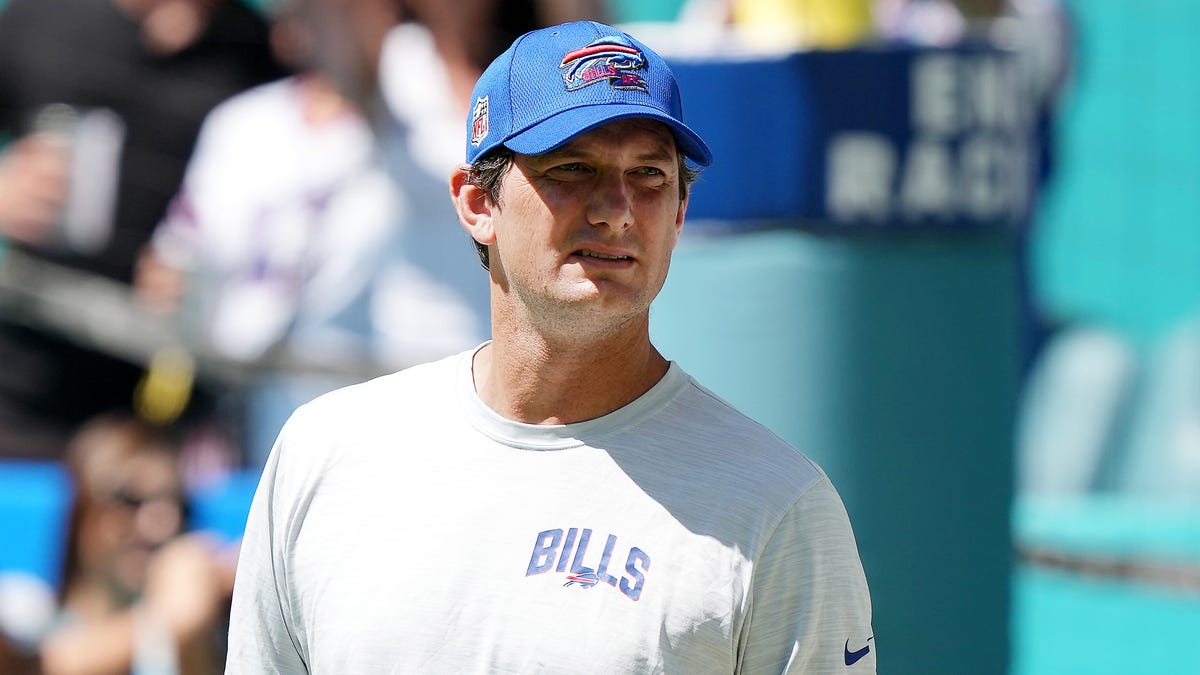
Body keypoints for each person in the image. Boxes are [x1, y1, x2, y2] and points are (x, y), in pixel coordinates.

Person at [226, 20, 875, 673]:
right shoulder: (326, 456)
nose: (617, 208)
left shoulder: (777, 506)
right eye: (572, 167)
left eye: (649, 174)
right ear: (477, 201)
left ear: (679, 213)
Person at [0, 0, 287, 460]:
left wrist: (209, 269)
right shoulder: (40, 20)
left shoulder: (261, 52)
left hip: (184, 400)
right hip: (26, 379)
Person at [39, 414, 237, 675]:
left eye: (177, 504)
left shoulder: (195, 624)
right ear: (81, 508)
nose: (161, 524)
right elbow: (51, 663)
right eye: (130, 499)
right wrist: (173, 618)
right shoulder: (26, 607)